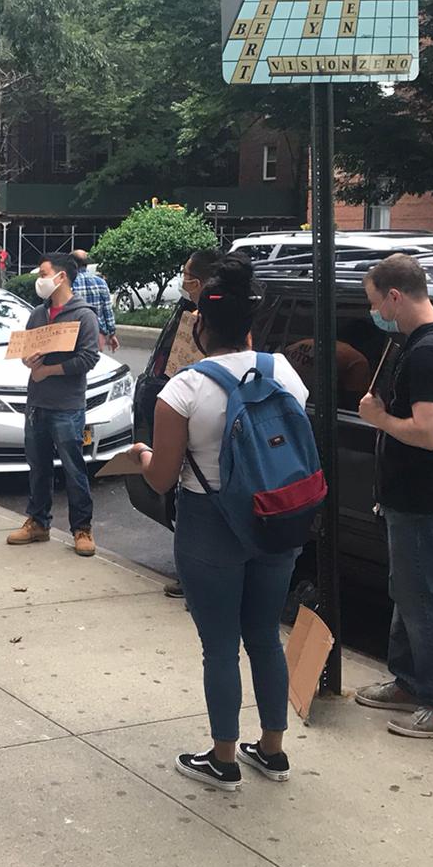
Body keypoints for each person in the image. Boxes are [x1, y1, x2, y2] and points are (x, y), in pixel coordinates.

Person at [132, 255, 310, 791]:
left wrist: (141, 455)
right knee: (264, 636)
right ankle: (273, 752)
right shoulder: (285, 372)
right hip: (278, 516)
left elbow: (162, 479)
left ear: (201, 327)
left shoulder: (183, 389)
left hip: (211, 523)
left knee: (219, 646)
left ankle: (224, 757)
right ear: (250, 325)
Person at [356, 253, 433, 740]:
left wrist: (379, 419)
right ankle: (410, 681)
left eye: (374, 303)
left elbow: (429, 433)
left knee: (428, 596)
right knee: (408, 591)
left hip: (426, 496)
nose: (375, 313)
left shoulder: (429, 352)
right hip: (418, 494)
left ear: (395, 297)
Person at [8, 254, 101, 556]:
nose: (39, 279)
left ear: (61, 277)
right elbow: (26, 350)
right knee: (38, 467)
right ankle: (38, 522)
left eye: (44, 273)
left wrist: (49, 370)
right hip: (37, 402)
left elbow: (88, 358)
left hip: (67, 405)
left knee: (74, 469)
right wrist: (27, 360)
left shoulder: (83, 315)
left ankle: (82, 529)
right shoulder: (38, 314)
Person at [164, 248, 222, 377]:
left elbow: (176, 374)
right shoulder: (241, 313)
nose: (182, 280)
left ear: (195, 284)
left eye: (185, 275)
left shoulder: (195, 321)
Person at [71, 249, 119, 352]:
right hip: (97, 332)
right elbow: (107, 310)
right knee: (95, 363)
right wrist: (112, 333)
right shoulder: (100, 282)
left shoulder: (69, 282)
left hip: (74, 332)